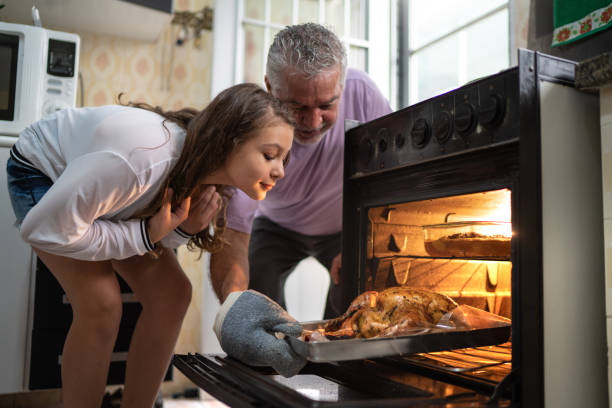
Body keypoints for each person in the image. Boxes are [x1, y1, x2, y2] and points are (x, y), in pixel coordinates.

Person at [6, 83, 302, 408]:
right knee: (101, 304)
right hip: (42, 173)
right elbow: (44, 229)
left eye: (284, 159)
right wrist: (144, 234)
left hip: (106, 197)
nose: (281, 171)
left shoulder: (199, 175)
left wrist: (184, 230)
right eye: (270, 155)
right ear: (229, 142)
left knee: (173, 294)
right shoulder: (141, 161)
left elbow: (154, 232)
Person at [210, 23, 393, 319]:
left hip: (345, 225)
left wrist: (367, 240)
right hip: (276, 225)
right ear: (270, 88)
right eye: (297, 107)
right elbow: (233, 237)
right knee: (255, 290)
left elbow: (393, 178)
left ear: (342, 88)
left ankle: (336, 362)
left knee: (356, 288)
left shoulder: (363, 93)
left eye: (326, 105)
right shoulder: (249, 129)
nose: (312, 121)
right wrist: (236, 313)